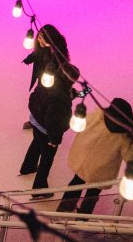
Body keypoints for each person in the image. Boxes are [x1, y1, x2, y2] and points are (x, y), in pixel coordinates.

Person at [58, 98, 133, 214]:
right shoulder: (124, 137)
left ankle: (63, 210)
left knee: (75, 185)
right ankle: (83, 217)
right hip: (100, 172)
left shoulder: (95, 117)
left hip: (82, 163)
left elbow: (79, 127)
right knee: (92, 195)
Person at [20, 58, 80, 196]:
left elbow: (41, 98)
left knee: (36, 144)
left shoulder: (48, 81)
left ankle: (27, 167)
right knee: (46, 160)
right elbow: (52, 120)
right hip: (47, 130)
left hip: (35, 122)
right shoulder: (59, 98)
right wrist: (55, 140)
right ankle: (39, 189)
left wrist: (74, 94)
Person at [21, 25, 68, 129]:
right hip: (42, 79)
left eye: (42, 38)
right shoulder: (41, 48)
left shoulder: (57, 51)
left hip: (53, 82)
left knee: (48, 102)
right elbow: (36, 54)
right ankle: (34, 121)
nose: (38, 39)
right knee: (37, 99)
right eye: (39, 36)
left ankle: (45, 123)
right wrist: (28, 59)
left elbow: (63, 65)